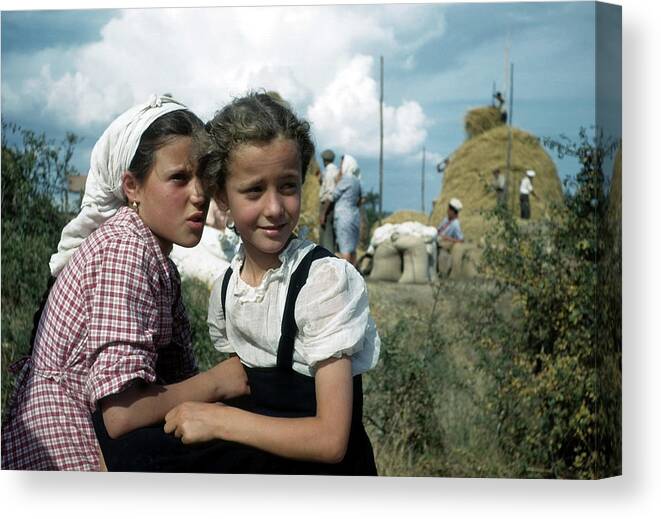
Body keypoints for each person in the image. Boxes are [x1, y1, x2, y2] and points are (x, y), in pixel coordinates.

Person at [1, 95, 249, 471]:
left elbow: (174, 379)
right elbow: (123, 413)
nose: (199, 195)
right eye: (179, 178)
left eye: (205, 177)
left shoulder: (151, 253)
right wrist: (219, 381)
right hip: (68, 460)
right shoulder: (125, 249)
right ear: (131, 186)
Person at [164, 91, 380, 475]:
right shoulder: (228, 290)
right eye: (253, 190)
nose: (276, 208)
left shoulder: (322, 282)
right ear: (222, 196)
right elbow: (246, 392)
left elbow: (331, 441)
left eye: (288, 186)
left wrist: (218, 421)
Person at [331, 154, 363, 267]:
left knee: (344, 249)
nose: (340, 167)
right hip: (354, 216)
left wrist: (335, 181)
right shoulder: (357, 180)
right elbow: (360, 200)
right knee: (352, 248)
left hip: (344, 217)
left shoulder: (346, 179)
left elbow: (333, 195)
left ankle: (347, 276)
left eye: (341, 164)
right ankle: (354, 274)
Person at [318, 149, 338, 252]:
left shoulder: (330, 172)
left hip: (327, 206)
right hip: (329, 206)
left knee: (327, 236)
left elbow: (329, 195)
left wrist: (323, 214)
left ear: (324, 160)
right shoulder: (334, 170)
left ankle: (328, 257)